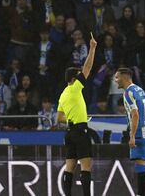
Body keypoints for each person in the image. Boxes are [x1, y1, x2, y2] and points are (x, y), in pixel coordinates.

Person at [57, 36, 97, 196]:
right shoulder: (74, 89)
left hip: (69, 132)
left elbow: (59, 118)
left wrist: (71, 119)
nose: (82, 76)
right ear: (74, 79)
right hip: (80, 131)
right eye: (79, 75)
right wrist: (92, 48)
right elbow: (87, 68)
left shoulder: (63, 95)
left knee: (69, 167)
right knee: (86, 166)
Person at [114, 67, 145, 196]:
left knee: (140, 166)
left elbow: (135, 114)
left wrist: (132, 136)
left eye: (117, 77)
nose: (116, 81)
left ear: (125, 77)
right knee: (143, 165)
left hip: (139, 134)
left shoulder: (128, 93)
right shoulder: (140, 89)